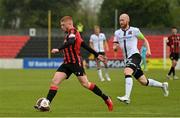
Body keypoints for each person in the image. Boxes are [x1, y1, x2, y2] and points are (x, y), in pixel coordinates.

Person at [34, 16, 113, 111]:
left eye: (63, 25)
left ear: (69, 24)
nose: (61, 27)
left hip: (75, 63)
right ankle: (46, 104)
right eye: (61, 25)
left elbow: (71, 42)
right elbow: (84, 45)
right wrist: (96, 54)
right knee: (55, 81)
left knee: (85, 84)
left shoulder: (73, 31)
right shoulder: (71, 34)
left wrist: (58, 49)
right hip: (67, 63)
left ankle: (106, 98)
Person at [113, 13, 169, 104]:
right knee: (144, 82)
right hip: (127, 59)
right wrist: (114, 47)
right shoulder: (117, 33)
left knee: (127, 71)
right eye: (120, 20)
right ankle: (163, 85)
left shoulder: (134, 30)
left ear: (128, 20)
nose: (121, 22)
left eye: (123, 20)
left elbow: (144, 39)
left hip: (135, 55)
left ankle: (127, 97)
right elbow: (115, 44)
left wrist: (148, 50)